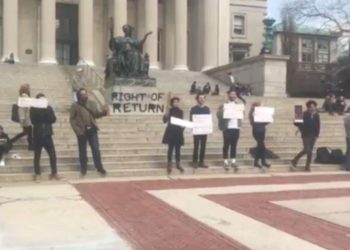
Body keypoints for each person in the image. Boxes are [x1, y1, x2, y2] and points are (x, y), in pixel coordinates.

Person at [70, 88, 109, 176]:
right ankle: (83, 168)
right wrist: (77, 130)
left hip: (92, 129)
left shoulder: (92, 103)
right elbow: (72, 119)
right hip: (81, 131)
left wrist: (104, 113)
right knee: (82, 150)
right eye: (82, 94)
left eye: (85, 94)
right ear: (79, 96)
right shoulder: (75, 105)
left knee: (95, 149)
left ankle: (99, 167)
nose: (84, 95)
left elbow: (96, 114)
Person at [30, 93, 59, 181]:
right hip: (37, 134)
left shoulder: (48, 108)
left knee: (52, 154)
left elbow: (53, 119)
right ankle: (37, 173)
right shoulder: (33, 108)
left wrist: (46, 109)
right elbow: (33, 120)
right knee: (37, 155)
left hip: (47, 134)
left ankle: (54, 173)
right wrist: (40, 110)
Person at [217, 90, 243, 171]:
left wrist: (242, 112)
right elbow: (218, 115)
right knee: (226, 145)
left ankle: (233, 161)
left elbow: (241, 115)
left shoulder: (238, 105)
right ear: (228, 95)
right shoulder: (224, 105)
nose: (234, 95)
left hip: (236, 127)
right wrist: (223, 111)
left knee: (234, 145)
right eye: (232, 94)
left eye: (235, 94)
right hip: (227, 127)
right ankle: (225, 161)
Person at [291, 100, 320, 172]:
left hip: (313, 135)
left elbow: (318, 125)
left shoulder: (316, 115)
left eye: (314, 107)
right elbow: (296, 124)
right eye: (311, 107)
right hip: (305, 134)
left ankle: (305, 165)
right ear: (308, 107)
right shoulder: (304, 114)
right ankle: (297, 161)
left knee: (307, 150)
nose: (313, 108)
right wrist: (297, 117)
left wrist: (317, 134)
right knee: (308, 150)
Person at [162, 97, 185, 175]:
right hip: (171, 131)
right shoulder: (169, 111)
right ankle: (169, 164)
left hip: (178, 132)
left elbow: (182, 122)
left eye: (177, 102)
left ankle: (178, 164)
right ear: (172, 103)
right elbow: (164, 121)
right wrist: (166, 114)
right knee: (170, 149)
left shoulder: (181, 111)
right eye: (175, 102)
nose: (176, 103)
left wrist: (183, 126)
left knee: (178, 149)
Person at [190, 94, 211, 168]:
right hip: (196, 130)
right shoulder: (193, 109)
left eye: (203, 98)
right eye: (200, 98)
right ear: (197, 99)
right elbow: (191, 119)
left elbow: (208, 120)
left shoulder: (207, 109)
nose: (202, 99)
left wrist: (208, 127)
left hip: (204, 130)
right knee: (196, 146)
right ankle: (194, 161)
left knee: (203, 146)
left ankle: (201, 161)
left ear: (205, 99)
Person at [10, 84, 33, 150]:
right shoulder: (24, 97)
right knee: (29, 132)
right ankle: (31, 146)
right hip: (26, 119)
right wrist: (22, 119)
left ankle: (12, 140)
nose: (29, 89)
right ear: (26, 90)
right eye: (28, 88)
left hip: (26, 119)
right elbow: (22, 109)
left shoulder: (23, 97)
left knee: (26, 132)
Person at [249, 102, 271, 168]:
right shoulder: (252, 113)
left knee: (260, 147)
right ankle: (263, 162)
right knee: (262, 147)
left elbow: (264, 123)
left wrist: (269, 119)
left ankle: (257, 162)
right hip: (256, 131)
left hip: (262, 131)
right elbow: (253, 123)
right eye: (260, 106)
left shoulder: (260, 114)